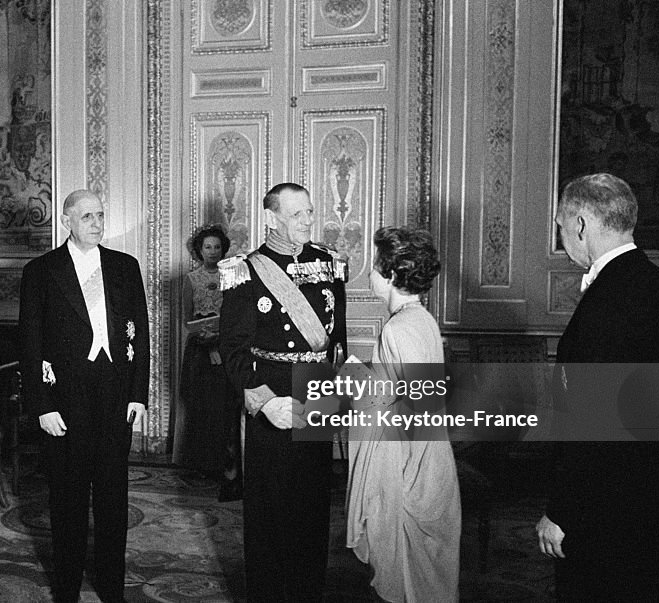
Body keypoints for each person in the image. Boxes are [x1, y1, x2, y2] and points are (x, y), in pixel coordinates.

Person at [537, 173, 659, 601]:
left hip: (606, 514)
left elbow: (588, 427)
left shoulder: (606, 305)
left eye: (560, 224)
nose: (561, 234)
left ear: (581, 225)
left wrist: (560, 511)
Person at [18, 189, 149, 603]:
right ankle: (67, 586)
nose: (96, 222)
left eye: (100, 215)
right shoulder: (42, 271)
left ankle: (112, 585)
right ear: (66, 220)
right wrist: (42, 405)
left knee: (113, 499)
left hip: (114, 397)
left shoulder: (124, 267)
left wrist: (138, 394)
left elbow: (140, 334)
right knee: (68, 499)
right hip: (65, 400)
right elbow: (30, 342)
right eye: (87, 216)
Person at [218, 182, 347, 602]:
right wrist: (264, 402)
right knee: (270, 510)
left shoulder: (328, 262)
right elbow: (233, 349)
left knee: (313, 507)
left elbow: (337, 338)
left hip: (318, 393)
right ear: (272, 218)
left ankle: (308, 592)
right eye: (297, 214)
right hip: (273, 396)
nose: (308, 220)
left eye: (310, 211)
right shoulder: (246, 269)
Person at [345, 226, 461, 602]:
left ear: (393, 275)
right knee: (420, 573)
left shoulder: (400, 328)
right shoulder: (420, 319)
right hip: (423, 453)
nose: (370, 276)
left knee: (409, 571)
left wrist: (350, 378)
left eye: (375, 269)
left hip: (407, 460)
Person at [172, 224, 242, 501]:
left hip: (226, 348)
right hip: (200, 349)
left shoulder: (233, 276)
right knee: (202, 405)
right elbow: (187, 319)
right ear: (199, 251)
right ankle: (202, 465)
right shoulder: (190, 278)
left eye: (216, 247)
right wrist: (203, 333)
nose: (212, 252)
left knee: (224, 406)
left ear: (222, 249)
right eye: (207, 247)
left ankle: (224, 464)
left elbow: (238, 313)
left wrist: (221, 333)